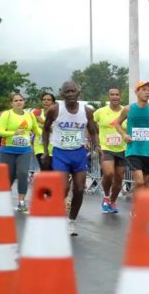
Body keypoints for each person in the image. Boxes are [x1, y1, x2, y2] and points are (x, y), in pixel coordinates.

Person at [43, 81, 99, 236]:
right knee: (62, 189)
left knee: (80, 189)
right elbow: (45, 129)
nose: (70, 94)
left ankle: (71, 222)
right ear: (62, 94)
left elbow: (93, 130)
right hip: (60, 153)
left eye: (73, 91)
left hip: (79, 153)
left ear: (78, 93)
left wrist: (98, 146)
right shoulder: (55, 110)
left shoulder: (86, 111)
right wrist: (46, 151)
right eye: (67, 92)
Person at [113, 81, 149, 196]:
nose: (147, 92)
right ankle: (136, 209)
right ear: (136, 92)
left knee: (145, 183)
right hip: (133, 150)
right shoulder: (128, 109)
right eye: (144, 89)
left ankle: (140, 206)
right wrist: (124, 135)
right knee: (139, 181)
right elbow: (117, 123)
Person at [0, 93, 40, 213]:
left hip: (24, 150)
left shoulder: (30, 115)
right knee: (8, 177)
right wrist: (14, 132)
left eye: (21, 100)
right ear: (11, 103)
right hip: (8, 150)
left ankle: (21, 202)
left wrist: (50, 131)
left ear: (24, 102)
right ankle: (3, 200)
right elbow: (0, 131)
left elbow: (36, 129)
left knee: (22, 173)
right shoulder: (7, 114)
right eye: (16, 100)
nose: (18, 102)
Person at [93, 88, 126, 214]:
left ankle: (113, 201)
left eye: (117, 94)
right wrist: (95, 142)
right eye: (112, 94)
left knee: (119, 178)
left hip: (122, 149)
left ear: (120, 96)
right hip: (106, 148)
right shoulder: (100, 112)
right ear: (108, 97)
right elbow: (90, 125)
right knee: (108, 173)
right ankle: (106, 196)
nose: (115, 97)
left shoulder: (125, 111)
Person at [32, 92, 56, 170]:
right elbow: (32, 127)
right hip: (39, 144)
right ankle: (45, 181)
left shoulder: (56, 114)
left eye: (48, 100)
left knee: (51, 169)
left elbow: (54, 130)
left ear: (53, 102)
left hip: (52, 145)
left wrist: (42, 123)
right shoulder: (37, 113)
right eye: (44, 99)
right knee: (44, 166)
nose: (46, 101)